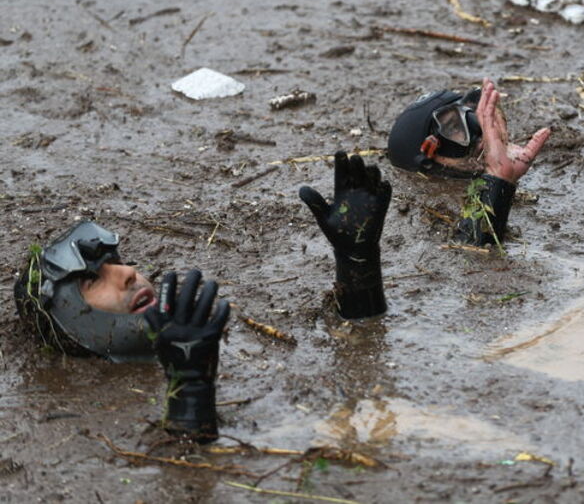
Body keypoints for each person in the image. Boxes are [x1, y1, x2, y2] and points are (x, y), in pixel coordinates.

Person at [12, 153, 390, 443]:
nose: (128, 273)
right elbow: (186, 481)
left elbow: (362, 354)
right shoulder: (95, 421)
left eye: (118, 261)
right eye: (93, 280)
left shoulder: (233, 336)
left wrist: (357, 268)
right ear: (67, 318)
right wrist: (189, 395)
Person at [387, 78, 551, 246]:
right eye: (453, 127)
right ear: (428, 162)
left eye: (471, 114)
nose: (476, 129)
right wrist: (498, 178)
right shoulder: (429, 217)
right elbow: (474, 254)